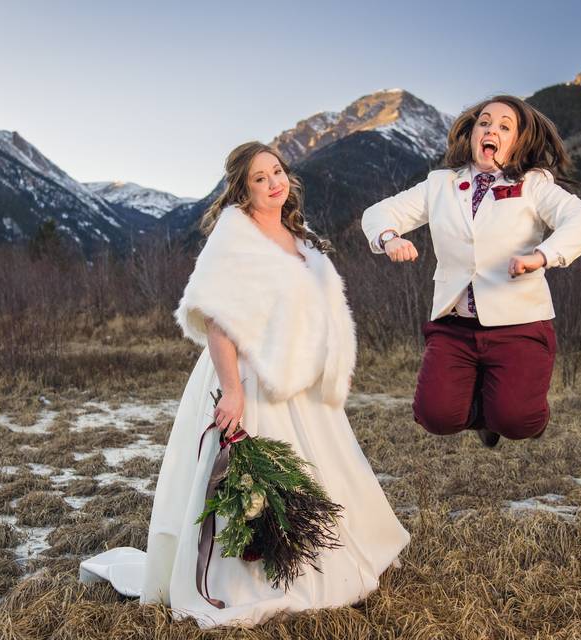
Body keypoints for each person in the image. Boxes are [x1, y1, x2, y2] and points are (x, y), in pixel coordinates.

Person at [80, 141, 410, 628]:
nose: (275, 182)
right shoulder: (235, 237)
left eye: (278, 171)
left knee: (321, 470)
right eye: (260, 178)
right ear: (242, 188)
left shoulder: (300, 235)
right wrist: (233, 392)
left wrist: (330, 359)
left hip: (300, 381)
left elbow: (317, 310)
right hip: (249, 376)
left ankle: (327, 558)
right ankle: (253, 579)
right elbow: (218, 321)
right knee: (252, 484)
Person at [361, 95, 581, 448]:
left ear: (520, 141)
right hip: (454, 324)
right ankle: (484, 410)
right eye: (485, 122)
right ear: (472, 132)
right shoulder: (440, 184)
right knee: (436, 416)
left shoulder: (534, 185)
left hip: (518, 323)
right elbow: (378, 213)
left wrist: (543, 255)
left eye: (505, 126)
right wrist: (389, 237)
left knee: (517, 420)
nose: (491, 130)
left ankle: (507, 413)